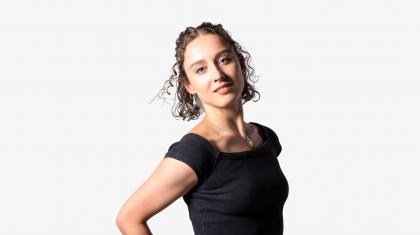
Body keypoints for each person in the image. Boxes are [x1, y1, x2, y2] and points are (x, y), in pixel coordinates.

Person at [116, 22, 289, 235]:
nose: (218, 74)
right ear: (189, 85)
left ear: (240, 63)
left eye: (224, 60)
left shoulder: (265, 138)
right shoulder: (196, 151)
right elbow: (129, 219)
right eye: (201, 69)